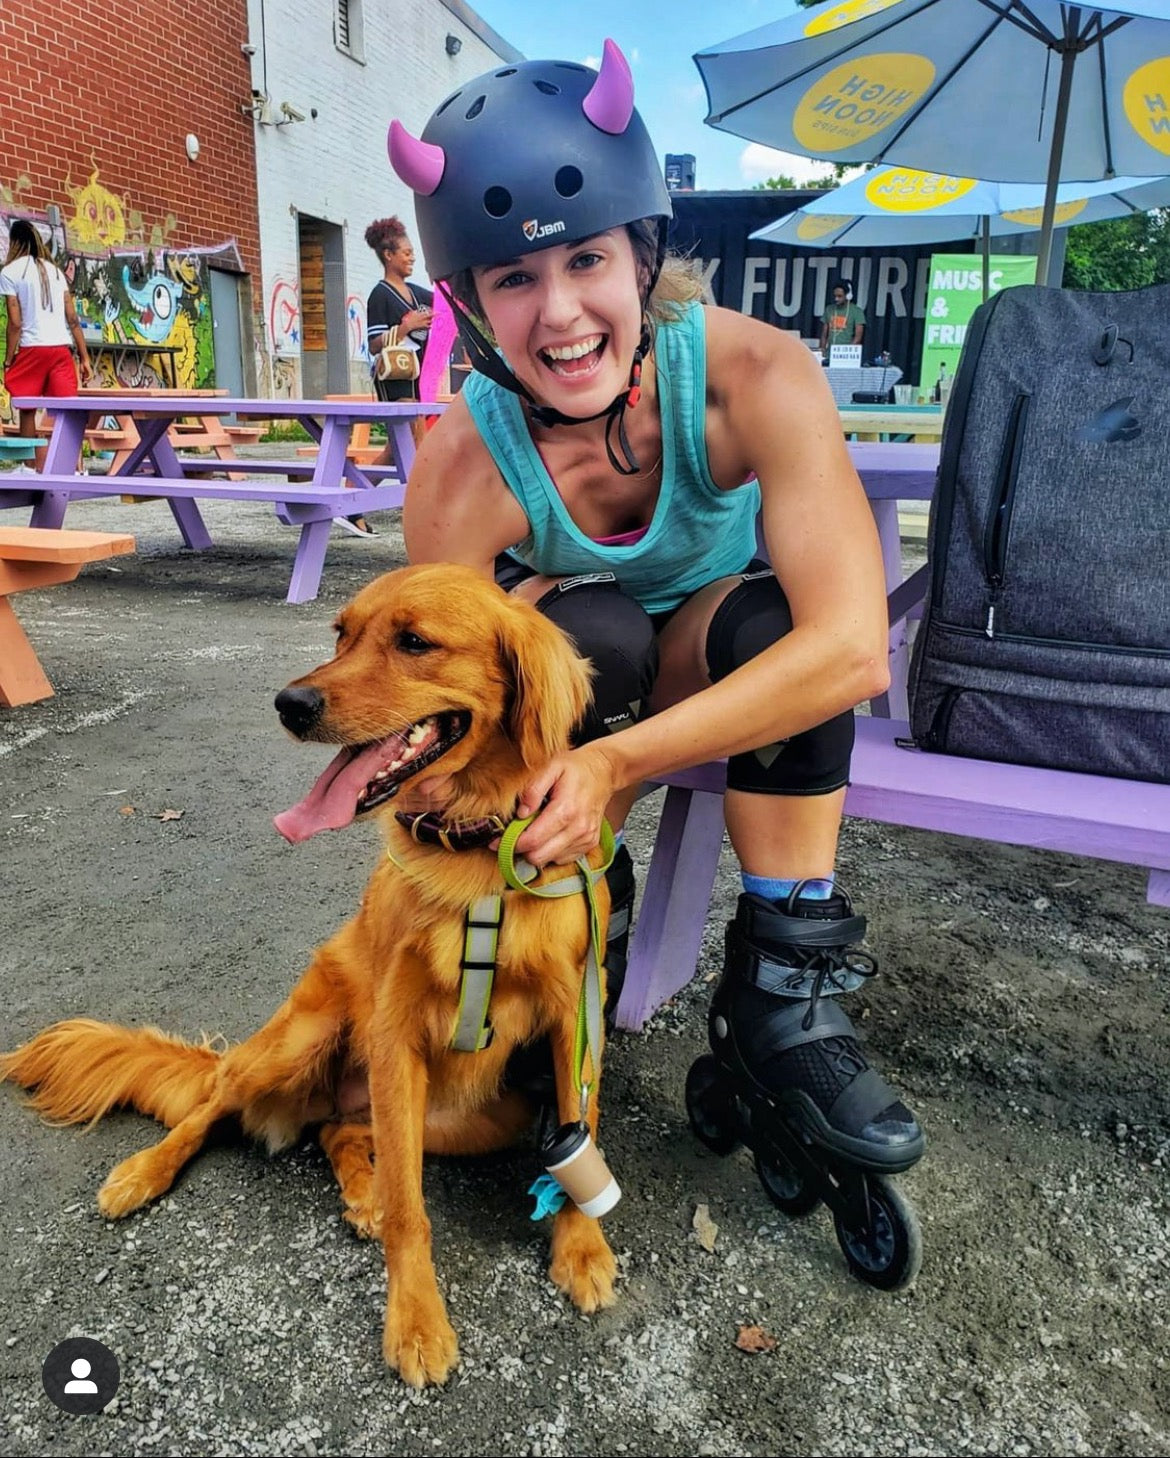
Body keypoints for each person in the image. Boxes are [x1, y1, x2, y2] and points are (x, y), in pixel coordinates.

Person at [389, 42, 923, 1199]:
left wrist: (620, 765)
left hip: (714, 662)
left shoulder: (753, 374)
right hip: (597, 677)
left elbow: (847, 648)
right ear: (472, 308)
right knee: (586, 629)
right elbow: (447, 682)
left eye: (587, 261)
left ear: (643, 257)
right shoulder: (462, 465)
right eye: (514, 281)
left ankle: (782, 992)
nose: (562, 312)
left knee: (778, 620)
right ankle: (576, 931)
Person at [350, 216, 435, 537]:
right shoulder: (380, 295)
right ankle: (422, 513)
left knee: (398, 448)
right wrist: (406, 327)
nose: (412, 257)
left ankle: (350, 500)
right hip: (395, 377)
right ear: (389, 255)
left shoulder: (416, 292)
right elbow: (373, 344)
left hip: (419, 376)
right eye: (406, 252)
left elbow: (446, 303)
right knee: (412, 444)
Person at [0, 219, 93, 470]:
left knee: (27, 409)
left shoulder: (10, 273)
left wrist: (9, 360)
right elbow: (73, 319)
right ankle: (77, 469)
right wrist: (84, 358)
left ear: (15, 242)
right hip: (62, 349)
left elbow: (15, 323)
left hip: (33, 349)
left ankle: (31, 468)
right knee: (66, 413)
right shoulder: (56, 273)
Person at [820, 280, 866, 360]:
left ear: (848, 296)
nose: (836, 299)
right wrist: (822, 351)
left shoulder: (857, 311)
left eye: (839, 296)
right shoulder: (829, 309)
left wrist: (847, 353)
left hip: (846, 356)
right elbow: (824, 334)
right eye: (835, 296)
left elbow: (858, 337)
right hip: (828, 354)